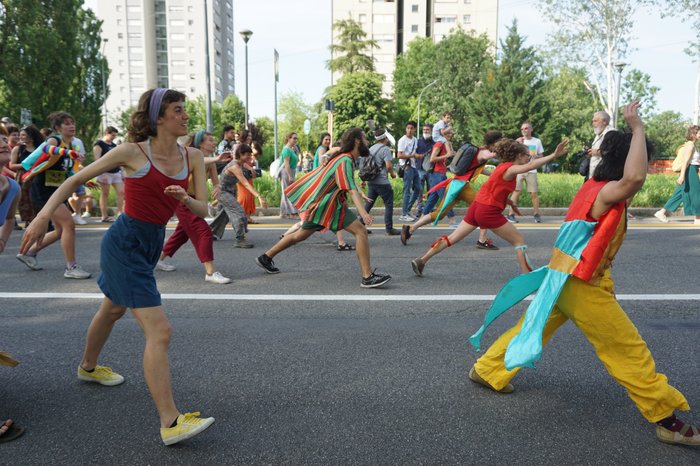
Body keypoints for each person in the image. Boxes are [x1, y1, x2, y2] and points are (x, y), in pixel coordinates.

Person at [467, 102, 700, 447]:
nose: (645, 168)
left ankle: (488, 369)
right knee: (626, 349)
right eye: (642, 157)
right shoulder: (607, 191)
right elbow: (634, 177)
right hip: (580, 283)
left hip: (570, 276)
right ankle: (666, 418)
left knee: (535, 324)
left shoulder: (594, 185)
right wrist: (637, 128)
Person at [20, 88, 215, 445]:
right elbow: (74, 180)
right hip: (124, 241)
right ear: (158, 118)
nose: (185, 116)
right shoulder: (131, 152)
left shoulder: (194, 157)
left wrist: (184, 197)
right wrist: (42, 216)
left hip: (151, 242)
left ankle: (88, 368)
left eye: (185, 109)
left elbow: (203, 210)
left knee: (112, 309)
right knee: (160, 331)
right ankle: (171, 423)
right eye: (177, 110)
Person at [411, 137, 569, 277]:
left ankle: (422, 260)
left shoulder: (501, 167)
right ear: (519, 156)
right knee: (519, 241)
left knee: (452, 238)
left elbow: (494, 189)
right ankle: (526, 276)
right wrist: (554, 155)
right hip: (488, 211)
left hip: (477, 207)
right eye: (527, 155)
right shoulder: (511, 168)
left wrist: (509, 202)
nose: (529, 158)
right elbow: (530, 166)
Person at [255, 127, 392, 288]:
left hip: (322, 206)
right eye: (365, 139)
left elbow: (347, 181)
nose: (368, 142)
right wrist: (364, 213)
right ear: (357, 141)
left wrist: (360, 194)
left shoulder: (343, 158)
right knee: (360, 231)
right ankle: (367, 277)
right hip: (329, 206)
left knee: (300, 235)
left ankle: (266, 257)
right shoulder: (345, 159)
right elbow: (350, 188)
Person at [16, 111, 91, 279]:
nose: (71, 125)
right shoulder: (55, 140)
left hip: (57, 190)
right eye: (66, 123)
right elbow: (45, 149)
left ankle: (29, 252)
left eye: (72, 122)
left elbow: (69, 171)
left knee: (59, 230)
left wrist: (86, 180)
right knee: (69, 225)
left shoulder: (71, 146)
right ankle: (71, 267)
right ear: (58, 127)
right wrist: (66, 153)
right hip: (44, 190)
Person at [402, 131, 504, 250]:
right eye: (499, 143)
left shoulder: (478, 151)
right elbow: (492, 155)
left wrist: (494, 175)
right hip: (461, 187)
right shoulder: (483, 152)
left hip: (455, 185)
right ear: (494, 142)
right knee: (484, 208)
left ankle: (410, 229)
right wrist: (507, 150)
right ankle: (482, 240)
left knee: (438, 215)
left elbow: (478, 169)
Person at [157, 130, 232, 283]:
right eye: (210, 140)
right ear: (201, 143)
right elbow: (198, 162)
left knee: (182, 233)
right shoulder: (191, 156)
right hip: (183, 200)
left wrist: (217, 187)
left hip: (195, 202)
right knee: (204, 232)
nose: (213, 142)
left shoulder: (209, 161)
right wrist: (217, 158)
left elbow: (215, 180)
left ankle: (158, 259)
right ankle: (210, 273)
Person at [209, 143, 268, 247]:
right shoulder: (235, 166)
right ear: (240, 154)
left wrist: (251, 169)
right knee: (239, 212)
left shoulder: (240, 163)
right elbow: (245, 183)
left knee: (224, 215)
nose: (250, 157)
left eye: (250, 155)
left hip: (231, 191)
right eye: (248, 155)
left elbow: (245, 165)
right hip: (222, 192)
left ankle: (209, 233)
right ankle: (240, 240)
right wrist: (259, 196)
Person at [654, 125, 700, 224]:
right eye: (699, 133)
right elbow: (686, 162)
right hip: (689, 171)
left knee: (679, 194)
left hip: (692, 170)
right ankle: (698, 218)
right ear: (694, 134)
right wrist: (682, 176)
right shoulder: (690, 145)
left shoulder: (693, 145)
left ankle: (661, 212)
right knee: (696, 193)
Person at [363, 127, 400, 235]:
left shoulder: (371, 148)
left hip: (372, 182)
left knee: (369, 204)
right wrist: (393, 174)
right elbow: (388, 166)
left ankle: (360, 225)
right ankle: (389, 229)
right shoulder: (385, 149)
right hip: (382, 182)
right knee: (389, 204)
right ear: (385, 138)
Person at [507, 122, 545, 223]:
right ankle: (510, 214)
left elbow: (541, 156)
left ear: (531, 129)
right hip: (519, 170)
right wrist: (515, 142)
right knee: (516, 191)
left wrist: (534, 156)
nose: (524, 130)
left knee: (534, 193)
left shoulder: (537, 141)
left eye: (526, 128)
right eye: (522, 129)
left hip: (532, 170)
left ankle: (536, 214)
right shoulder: (519, 141)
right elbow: (510, 154)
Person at [9, 125, 43, 228]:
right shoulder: (18, 149)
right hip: (23, 177)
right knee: (25, 200)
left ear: (30, 135)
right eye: (20, 135)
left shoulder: (40, 148)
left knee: (37, 198)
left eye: (23, 135)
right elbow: (12, 165)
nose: (20, 137)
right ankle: (28, 221)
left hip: (38, 176)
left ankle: (39, 220)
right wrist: (27, 165)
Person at [93, 126, 124, 222]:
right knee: (105, 193)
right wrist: (101, 173)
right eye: (112, 135)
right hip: (104, 172)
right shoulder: (99, 144)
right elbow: (97, 159)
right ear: (107, 133)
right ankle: (104, 215)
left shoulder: (114, 146)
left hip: (116, 171)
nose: (114, 137)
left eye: (115, 135)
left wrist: (122, 172)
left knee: (121, 192)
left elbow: (118, 159)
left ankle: (120, 213)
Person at [397, 121, 422, 222]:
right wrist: (413, 156)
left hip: (413, 166)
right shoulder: (403, 140)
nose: (410, 130)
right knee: (407, 190)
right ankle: (404, 213)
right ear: (405, 129)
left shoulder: (415, 140)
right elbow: (399, 155)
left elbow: (415, 153)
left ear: (415, 129)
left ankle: (407, 209)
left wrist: (418, 156)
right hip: (406, 167)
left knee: (418, 188)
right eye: (408, 128)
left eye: (412, 128)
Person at [584, 111, 615, 179]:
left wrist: (598, 153)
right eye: (593, 121)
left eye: (595, 121)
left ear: (605, 122)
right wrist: (590, 153)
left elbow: (615, 154)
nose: (593, 124)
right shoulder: (598, 134)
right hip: (595, 176)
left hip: (606, 178)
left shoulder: (613, 134)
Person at [414, 124, 435, 216]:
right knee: (419, 190)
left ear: (431, 131)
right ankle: (419, 208)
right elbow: (414, 153)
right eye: (424, 129)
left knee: (431, 190)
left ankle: (429, 208)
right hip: (419, 169)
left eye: (427, 130)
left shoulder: (435, 142)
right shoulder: (418, 141)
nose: (425, 131)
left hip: (431, 170)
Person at [279, 132, 300, 219]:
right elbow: (286, 163)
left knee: (286, 191)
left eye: (296, 138)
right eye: (294, 138)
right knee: (288, 192)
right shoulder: (286, 150)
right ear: (289, 138)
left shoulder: (291, 149)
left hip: (291, 171)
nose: (295, 140)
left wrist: (296, 148)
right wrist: (289, 175)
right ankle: (292, 212)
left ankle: (283, 213)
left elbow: (298, 157)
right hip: (286, 171)